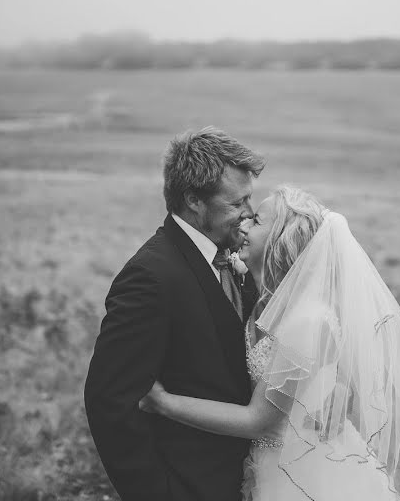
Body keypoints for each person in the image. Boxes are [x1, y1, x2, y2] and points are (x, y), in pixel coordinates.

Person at [140, 186, 400, 501]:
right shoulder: (270, 298)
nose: (244, 224)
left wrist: (162, 402)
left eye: (256, 222)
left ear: (280, 241)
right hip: (266, 463)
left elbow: (258, 421)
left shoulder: (308, 321)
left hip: (304, 474)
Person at [84, 126, 266, 501]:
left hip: (247, 478)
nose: (249, 215)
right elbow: (109, 402)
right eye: (236, 204)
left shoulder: (230, 256)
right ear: (194, 200)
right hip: (187, 485)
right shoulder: (149, 277)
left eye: (250, 200)